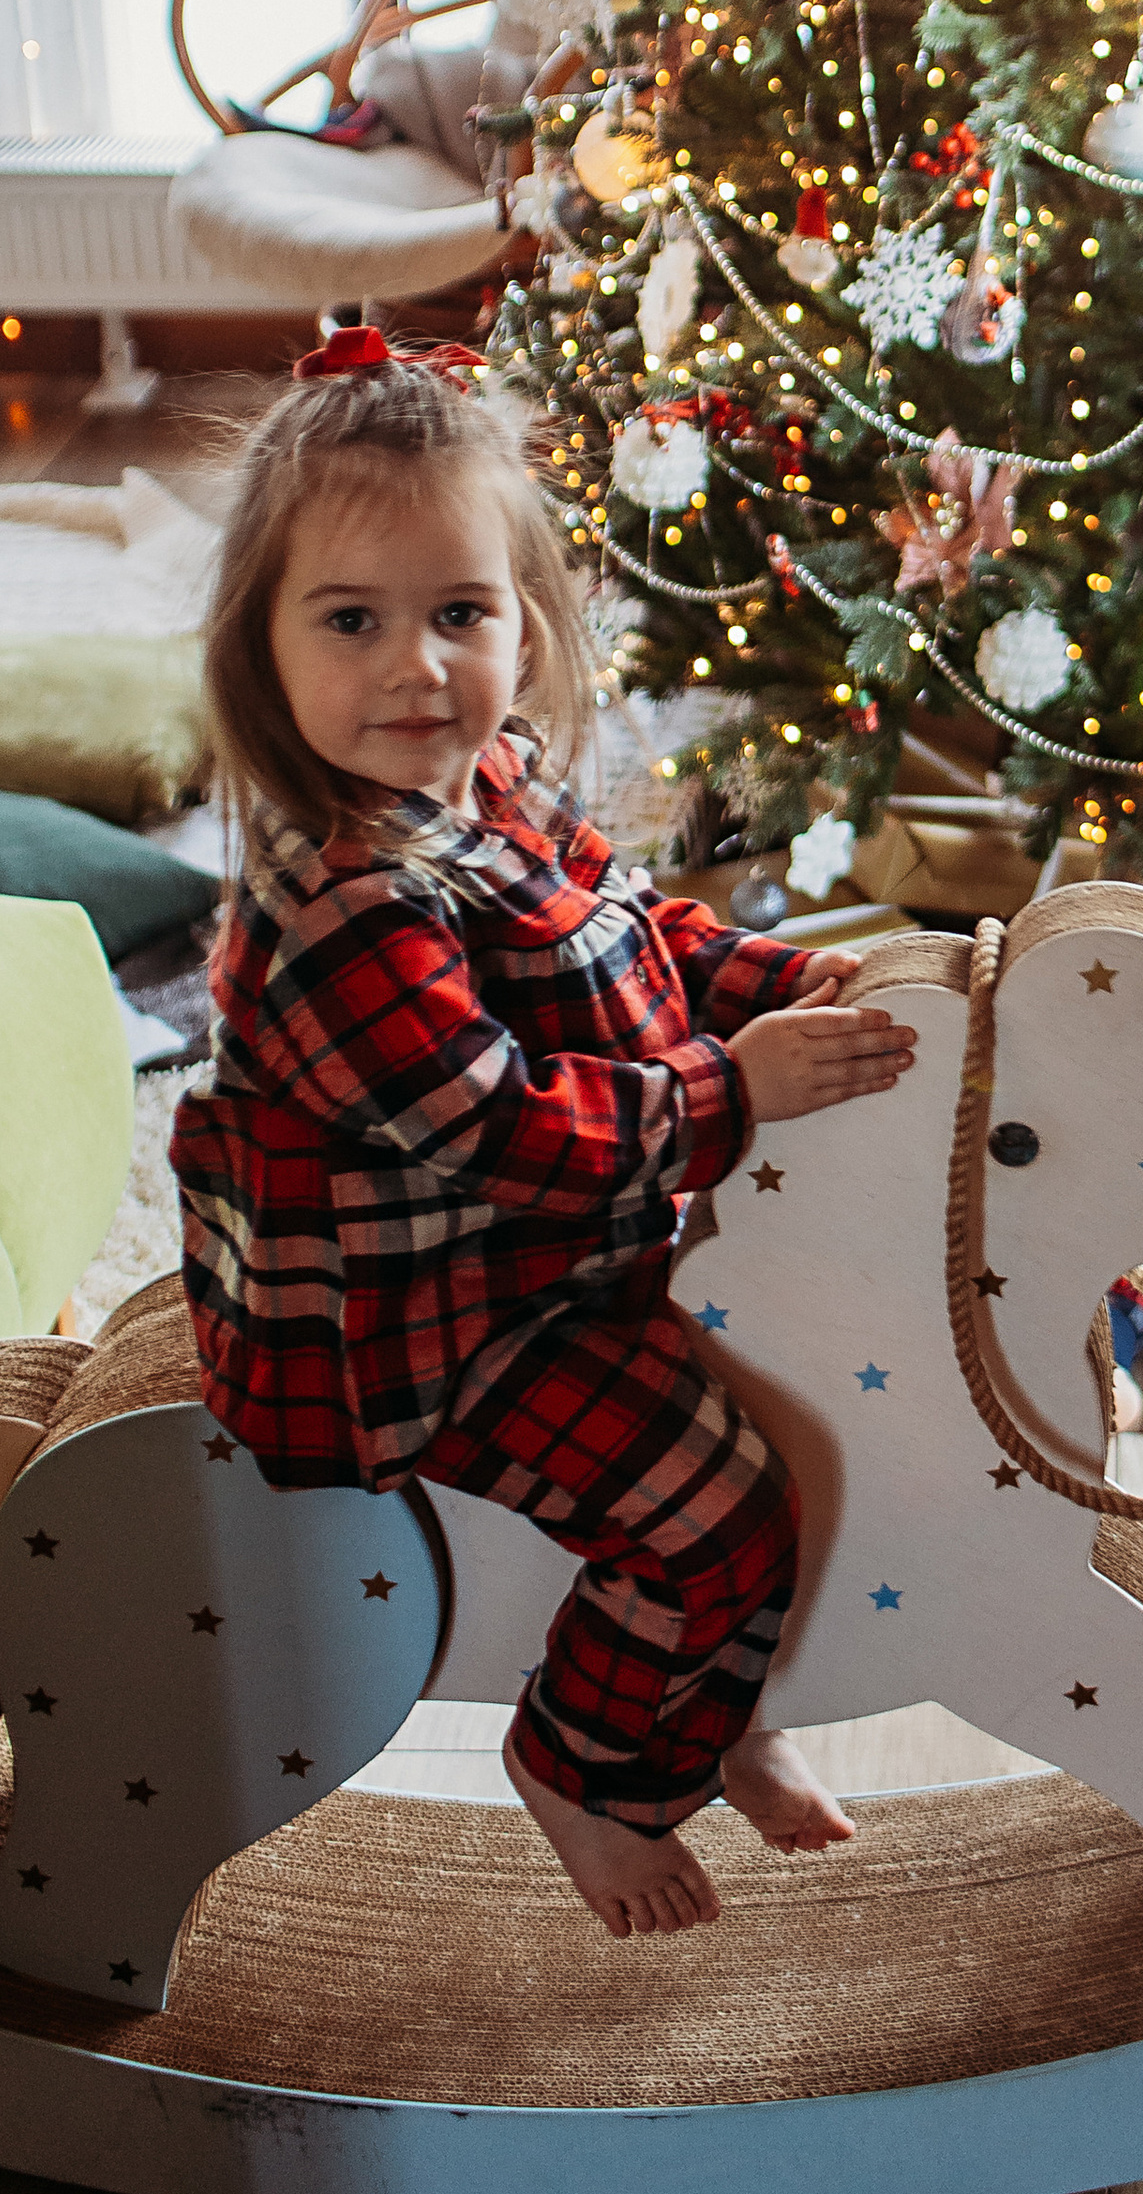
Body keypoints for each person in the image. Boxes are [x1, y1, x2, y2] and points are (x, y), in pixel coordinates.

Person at [170, 329, 917, 1942]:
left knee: (795, 1418)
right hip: (419, 1325)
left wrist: (783, 984)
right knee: (716, 1507)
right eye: (351, 622)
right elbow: (501, 1126)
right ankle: (586, 1766)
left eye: (462, 615)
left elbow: (635, 928)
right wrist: (737, 1092)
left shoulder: (488, 783)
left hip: (550, 1260)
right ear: (263, 645)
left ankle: (707, 1717)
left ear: (526, 621)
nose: (416, 669)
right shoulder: (340, 904)